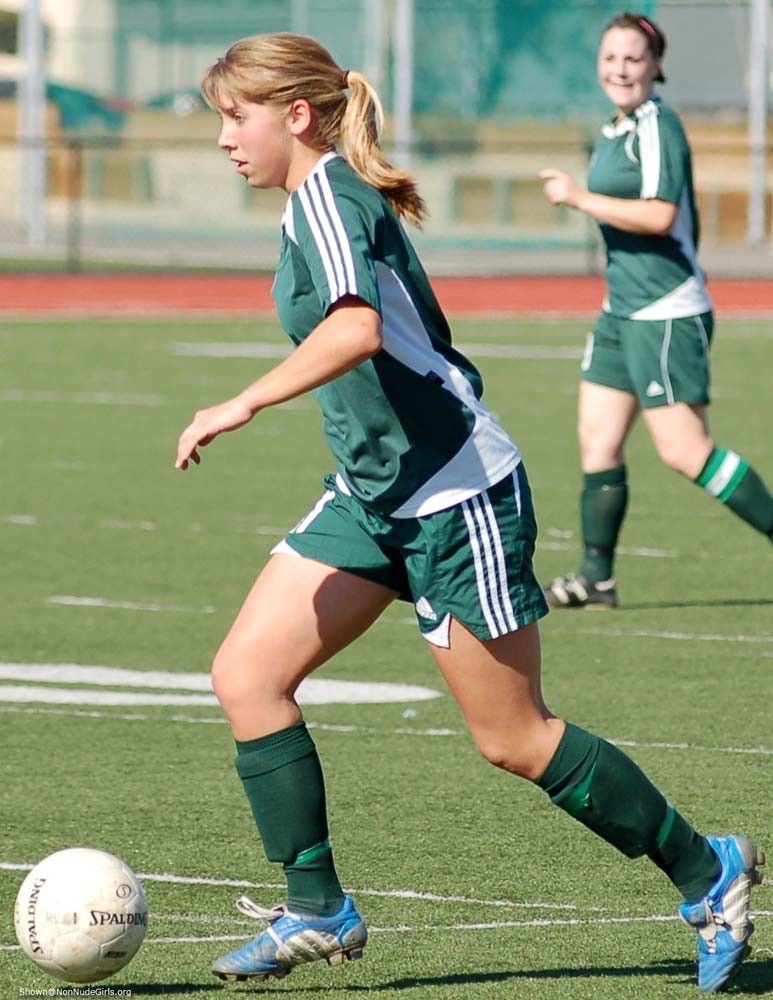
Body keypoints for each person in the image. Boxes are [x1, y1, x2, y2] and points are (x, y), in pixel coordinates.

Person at [176, 32, 764, 994]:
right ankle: (317, 908)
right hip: (374, 494)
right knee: (246, 674)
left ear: (294, 115)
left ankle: (708, 873)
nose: (223, 139)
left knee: (513, 737)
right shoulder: (307, 205)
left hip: (457, 496)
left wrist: (242, 400)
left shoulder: (326, 196)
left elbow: (356, 329)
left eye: (234, 117)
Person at [539, 12, 773, 610]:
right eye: (611, 57)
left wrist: (578, 196)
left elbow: (660, 214)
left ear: (655, 65)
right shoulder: (615, 128)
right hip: (622, 311)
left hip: (666, 309)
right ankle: (598, 579)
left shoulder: (657, 123)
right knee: (598, 439)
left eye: (634, 58)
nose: (621, 68)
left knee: (684, 449)